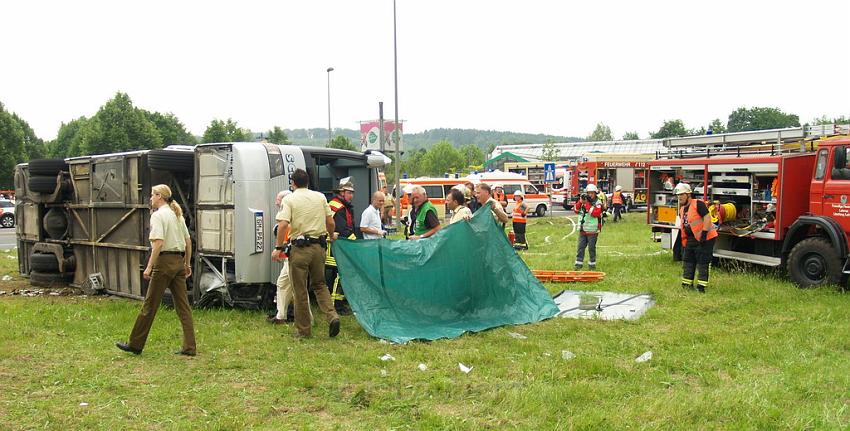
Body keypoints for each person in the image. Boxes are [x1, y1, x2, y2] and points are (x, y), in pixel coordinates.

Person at [116, 184, 196, 356]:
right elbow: (188, 242)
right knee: (183, 307)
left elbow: (158, 243)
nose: (151, 198)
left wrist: (150, 266)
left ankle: (135, 344)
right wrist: (187, 264)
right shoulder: (177, 215)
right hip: (178, 262)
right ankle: (190, 347)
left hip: (164, 262)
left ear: (159, 196)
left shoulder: (158, 216)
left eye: (152, 195)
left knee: (150, 305)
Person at [273, 169, 340, 338]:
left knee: (300, 289)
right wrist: (331, 235)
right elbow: (330, 221)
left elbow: (282, 225)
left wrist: (278, 248)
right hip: (319, 248)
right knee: (320, 285)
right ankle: (332, 316)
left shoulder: (290, 199)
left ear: (293, 184)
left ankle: (304, 330)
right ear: (308, 182)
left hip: (300, 248)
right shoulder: (320, 197)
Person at [269, 190, 313, 325]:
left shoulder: (287, 217)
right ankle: (280, 316)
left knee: (297, 289)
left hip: (293, 256)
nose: (276, 202)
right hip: (291, 256)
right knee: (283, 284)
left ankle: (307, 320)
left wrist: (278, 250)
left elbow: (284, 234)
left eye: (278, 199)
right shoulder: (296, 213)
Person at [675, 182, 717, 293]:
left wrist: (704, 234)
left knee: (703, 262)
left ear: (688, 195)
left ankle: (701, 287)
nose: (679, 197)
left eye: (681, 195)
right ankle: (686, 285)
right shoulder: (682, 209)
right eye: (678, 195)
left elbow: (707, 218)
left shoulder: (698, 204)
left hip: (705, 238)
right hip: (691, 239)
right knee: (688, 261)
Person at [326, 178, 356, 315]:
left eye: (352, 193)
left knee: (336, 274)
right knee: (338, 274)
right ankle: (337, 305)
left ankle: (337, 303)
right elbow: (343, 230)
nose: (351, 196)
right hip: (333, 248)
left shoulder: (336, 204)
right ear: (342, 193)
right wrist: (356, 243)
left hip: (333, 247)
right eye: (349, 193)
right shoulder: (339, 208)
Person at [574, 184, 603, 270]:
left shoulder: (598, 202)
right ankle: (578, 265)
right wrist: (580, 202)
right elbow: (575, 210)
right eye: (588, 193)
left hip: (592, 230)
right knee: (580, 248)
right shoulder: (584, 201)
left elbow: (596, 213)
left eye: (592, 193)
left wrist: (587, 204)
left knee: (591, 248)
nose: (590, 195)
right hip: (583, 229)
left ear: (595, 193)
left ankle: (592, 265)